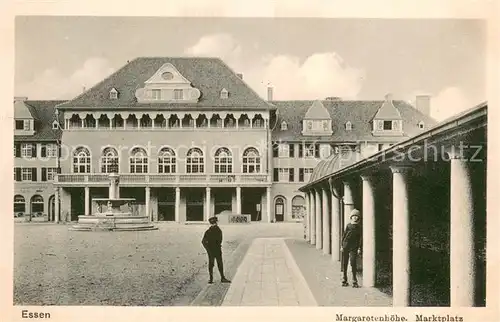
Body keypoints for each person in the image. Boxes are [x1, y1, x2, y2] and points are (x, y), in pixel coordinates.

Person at [201, 216, 231, 284]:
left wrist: (207, 249)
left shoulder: (208, 231)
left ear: (211, 223)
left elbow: (203, 241)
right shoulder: (219, 230)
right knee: (220, 263)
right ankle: (222, 278)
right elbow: (220, 240)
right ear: (216, 222)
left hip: (210, 250)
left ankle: (211, 279)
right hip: (217, 249)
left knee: (211, 264)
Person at [341, 209, 362, 288]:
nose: (355, 217)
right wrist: (342, 246)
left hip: (354, 247)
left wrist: (359, 248)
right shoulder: (348, 225)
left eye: (356, 216)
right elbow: (344, 236)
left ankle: (354, 280)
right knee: (345, 263)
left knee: (353, 262)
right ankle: (344, 279)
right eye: (353, 216)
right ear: (351, 217)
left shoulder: (359, 227)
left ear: (358, 217)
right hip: (346, 245)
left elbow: (360, 238)